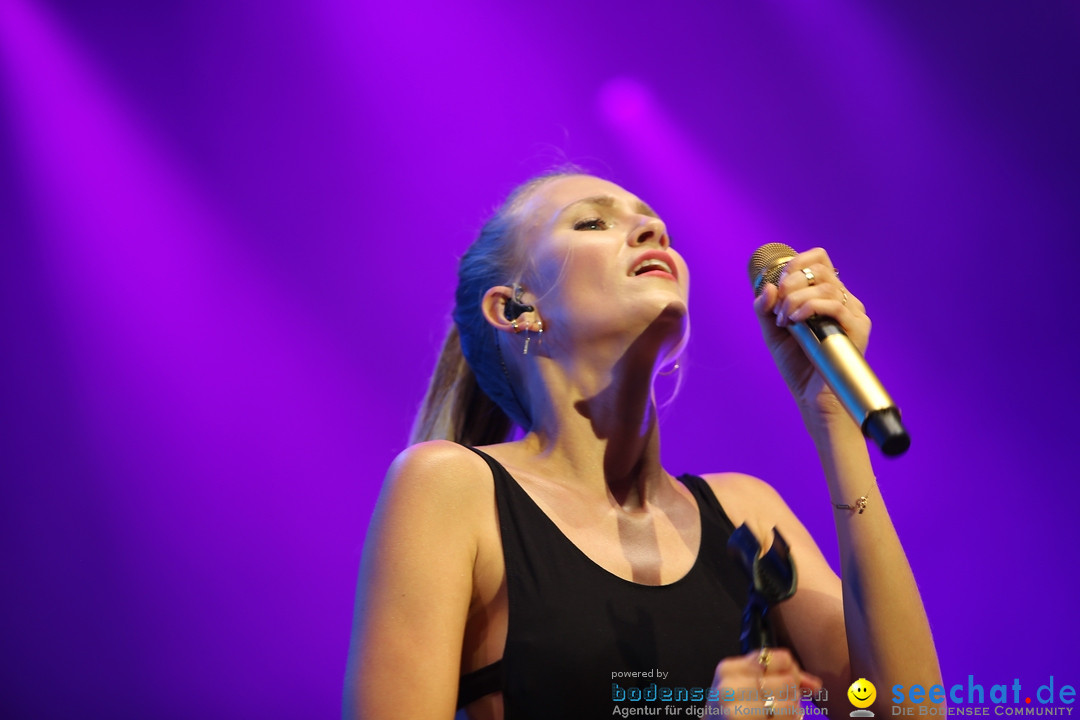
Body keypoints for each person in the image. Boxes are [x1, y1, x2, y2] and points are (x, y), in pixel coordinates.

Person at [343, 171, 941, 720]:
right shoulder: (451, 488)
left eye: (655, 222)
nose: (653, 229)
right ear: (518, 308)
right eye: (593, 222)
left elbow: (909, 712)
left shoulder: (745, 515)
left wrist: (834, 419)